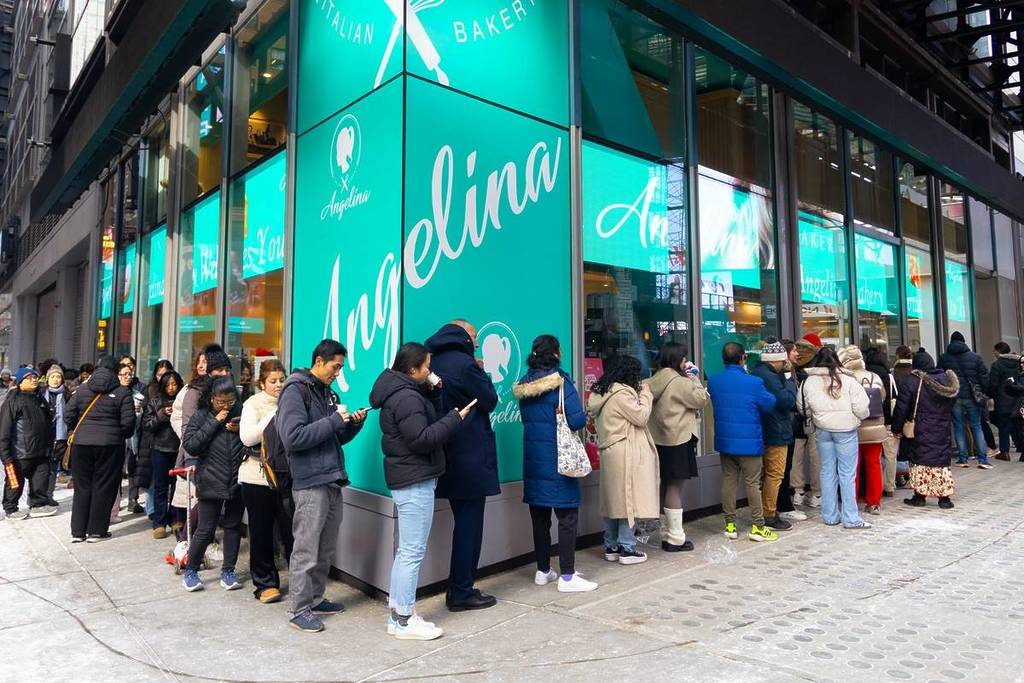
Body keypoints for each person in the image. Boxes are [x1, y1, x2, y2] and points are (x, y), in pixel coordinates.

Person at [370, 343, 469, 640]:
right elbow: (423, 438)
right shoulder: (406, 398)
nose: (430, 371)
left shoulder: (402, 393)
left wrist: (435, 392)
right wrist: (455, 419)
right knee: (411, 553)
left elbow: (421, 424)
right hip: (414, 480)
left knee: (406, 552)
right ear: (412, 369)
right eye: (426, 367)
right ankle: (402, 620)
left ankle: (401, 614)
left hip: (409, 478)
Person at [277, 339, 366, 634]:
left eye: (340, 367)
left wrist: (351, 424)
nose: (337, 373)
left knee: (325, 548)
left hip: (332, 477)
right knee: (306, 548)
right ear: (318, 361)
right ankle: (299, 609)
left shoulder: (327, 393)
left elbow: (332, 437)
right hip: (310, 481)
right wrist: (333, 421)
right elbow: (293, 437)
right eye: (335, 366)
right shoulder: (295, 390)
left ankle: (315, 598)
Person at [425, 321, 500, 612]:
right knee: (469, 527)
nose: (477, 343)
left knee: (461, 523)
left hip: (446, 453)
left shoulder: (432, 362)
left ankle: (459, 586)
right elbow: (490, 400)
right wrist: (480, 371)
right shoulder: (467, 366)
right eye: (474, 336)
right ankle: (461, 591)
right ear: (461, 336)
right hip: (470, 454)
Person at [512, 335, 596, 591]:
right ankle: (568, 576)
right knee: (567, 516)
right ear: (556, 353)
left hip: (534, 460)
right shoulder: (561, 383)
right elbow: (577, 421)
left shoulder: (525, 385)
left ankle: (543, 570)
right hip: (559, 459)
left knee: (540, 518)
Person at [588, 355, 660, 563]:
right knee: (628, 499)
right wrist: (646, 395)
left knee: (613, 499)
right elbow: (641, 417)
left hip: (611, 451)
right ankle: (627, 548)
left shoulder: (602, 393)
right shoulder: (621, 394)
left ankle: (611, 546)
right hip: (626, 451)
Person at [707, 342, 778, 542]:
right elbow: (770, 403)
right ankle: (758, 527)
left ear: (723, 359)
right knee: (753, 484)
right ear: (743, 358)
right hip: (749, 443)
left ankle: (730, 525)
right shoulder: (753, 382)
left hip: (725, 441)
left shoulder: (714, 381)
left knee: (728, 481)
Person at [180, 376, 246, 592]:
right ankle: (190, 570)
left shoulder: (242, 411)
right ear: (211, 398)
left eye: (230, 401)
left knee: (233, 526)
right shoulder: (201, 416)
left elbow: (255, 438)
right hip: (210, 478)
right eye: (221, 402)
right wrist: (215, 421)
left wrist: (240, 430)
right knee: (206, 528)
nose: (227, 406)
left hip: (238, 479)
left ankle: (228, 571)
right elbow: (191, 445)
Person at [797, 347, 871, 529]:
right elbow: (862, 408)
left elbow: (802, 406)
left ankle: (830, 515)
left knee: (827, 472)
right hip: (846, 430)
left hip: (822, 430)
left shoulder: (808, 382)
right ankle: (850, 517)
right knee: (847, 474)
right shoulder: (849, 380)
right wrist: (857, 418)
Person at [238, 358, 293, 604]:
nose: (278, 385)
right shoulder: (253, 403)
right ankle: (265, 583)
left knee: (291, 530)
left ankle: (300, 578)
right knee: (260, 533)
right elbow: (248, 437)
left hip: (285, 477)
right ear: (262, 383)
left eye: (282, 380)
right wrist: (272, 415)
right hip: (256, 477)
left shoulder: (291, 402)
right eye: (273, 381)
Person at [65, 356, 136, 542]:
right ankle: (96, 531)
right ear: (115, 371)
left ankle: (78, 532)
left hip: (81, 444)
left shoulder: (81, 390)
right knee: (103, 486)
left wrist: (80, 429)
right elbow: (129, 425)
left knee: (82, 487)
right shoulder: (122, 393)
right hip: (110, 445)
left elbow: (68, 415)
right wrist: (117, 434)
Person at [646, 341, 709, 550]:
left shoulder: (652, 379)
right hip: (679, 439)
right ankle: (675, 537)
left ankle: (665, 532)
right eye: (684, 359)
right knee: (675, 486)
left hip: (658, 439)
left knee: (665, 484)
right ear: (678, 360)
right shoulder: (679, 382)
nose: (686, 362)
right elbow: (701, 399)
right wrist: (694, 378)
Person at [892, 349, 959, 509]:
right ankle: (944, 499)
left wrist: (896, 427)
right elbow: (951, 402)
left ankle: (919, 496)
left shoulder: (913, 380)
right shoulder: (946, 379)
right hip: (942, 427)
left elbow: (902, 407)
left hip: (920, 428)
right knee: (940, 460)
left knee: (920, 460)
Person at [750, 339, 798, 532]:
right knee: (775, 473)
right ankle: (769, 513)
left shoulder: (757, 372)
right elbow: (786, 401)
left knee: (764, 474)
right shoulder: (772, 377)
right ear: (777, 360)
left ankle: (764, 511)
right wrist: (789, 382)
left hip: (763, 429)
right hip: (776, 430)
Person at [1, 368, 57, 519]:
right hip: (19, 453)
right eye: (30, 377)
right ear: (20, 382)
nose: (34, 380)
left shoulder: (40, 398)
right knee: (14, 483)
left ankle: (38, 504)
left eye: (35, 377)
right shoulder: (12, 401)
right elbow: (4, 430)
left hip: (42, 450)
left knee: (40, 480)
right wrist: (5, 455)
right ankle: (11, 508)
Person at [838, 346, 887, 516]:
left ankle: (852, 500)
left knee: (852, 467)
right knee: (874, 464)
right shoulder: (874, 376)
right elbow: (882, 397)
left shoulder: (846, 379)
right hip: (875, 428)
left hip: (854, 428)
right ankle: (874, 503)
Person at [938, 331, 992, 469]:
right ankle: (983, 460)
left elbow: (940, 377)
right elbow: (984, 377)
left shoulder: (944, 358)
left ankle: (963, 459)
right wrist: (986, 393)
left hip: (955, 397)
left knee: (959, 427)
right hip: (973, 397)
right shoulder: (975, 357)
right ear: (964, 341)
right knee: (976, 426)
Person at [138, 371, 182, 538]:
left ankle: (174, 519)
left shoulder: (183, 402)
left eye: (174, 384)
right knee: (160, 487)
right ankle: (159, 522)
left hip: (178, 449)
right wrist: (162, 414)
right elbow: (147, 425)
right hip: (160, 449)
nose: (171, 388)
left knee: (177, 488)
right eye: (168, 385)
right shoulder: (155, 401)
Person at [775, 340, 807, 524]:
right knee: (782, 468)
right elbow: (787, 399)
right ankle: (783, 506)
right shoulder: (784, 374)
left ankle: (783, 504)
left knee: (785, 467)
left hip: (788, 425)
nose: (797, 353)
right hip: (784, 425)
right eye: (794, 350)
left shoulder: (793, 372)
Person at [791, 333, 823, 508]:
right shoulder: (818, 366)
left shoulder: (793, 363)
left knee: (796, 455)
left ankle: (798, 492)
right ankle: (817, 493)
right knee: (815, 455)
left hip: (795, 416)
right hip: (813, 417)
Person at [863, 346, 897, 497]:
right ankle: (889, 486)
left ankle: (870, 488)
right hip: (886, 419)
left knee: (872, 458)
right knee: (890, 455)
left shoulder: (864, 375)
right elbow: (893, 397)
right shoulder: (887, 375)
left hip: (868, 421)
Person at [117, 363, 146, 517]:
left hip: (134, 436)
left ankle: (132, 499)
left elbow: (141, 417)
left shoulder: (137, 394)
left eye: (130, 374)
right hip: (117, 437)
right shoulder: (113, 393)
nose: (128, 377)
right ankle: (115, 501)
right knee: (116, 470)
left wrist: (138, 412)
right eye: (125, 374)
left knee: (133, 468)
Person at [43, 365, 71, 506]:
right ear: (47, 379)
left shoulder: (67, 394)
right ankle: (36, 496)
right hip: (42, 436)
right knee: (40, 468)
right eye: (52, 377)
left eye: (58, 376)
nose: (55, 379)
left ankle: (49, 494)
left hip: (60, 436)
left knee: (53, 467)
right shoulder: (41, 393)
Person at [987, 342, 1020, 462]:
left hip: (1002, 400)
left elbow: (993, 384)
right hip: (1018, 399)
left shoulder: (997, 365)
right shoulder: (1018, 363)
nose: (993, 353)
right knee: (1018, 425)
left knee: (1004, 427)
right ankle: (1021, 448)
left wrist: (989, 394)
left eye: (994, 351)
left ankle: (1004, 452)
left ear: (999, 351)